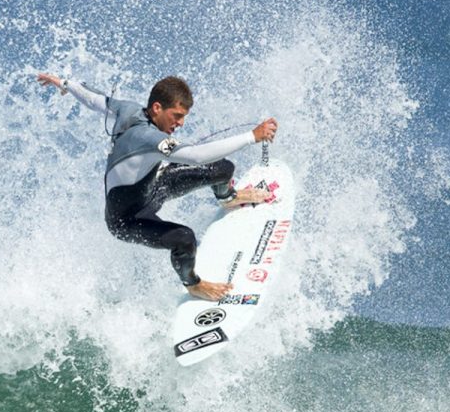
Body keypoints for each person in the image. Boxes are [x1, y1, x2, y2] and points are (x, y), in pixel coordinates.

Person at [37, 73, 278, 301]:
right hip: (127, 220)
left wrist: (65, 84)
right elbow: (194, 156)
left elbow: (94, 98)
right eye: (177, 115)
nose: (181, 123)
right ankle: (193, 285)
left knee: (222, 168)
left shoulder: (126, 108)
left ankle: (227, 197)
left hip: (154, 187)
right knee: (184, 239)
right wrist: (252, 136)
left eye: (184, 116)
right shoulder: (148, 138)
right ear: (157, 108)